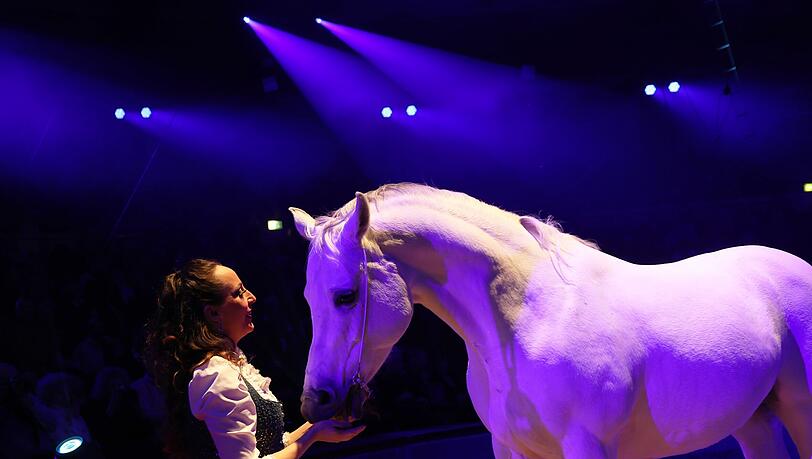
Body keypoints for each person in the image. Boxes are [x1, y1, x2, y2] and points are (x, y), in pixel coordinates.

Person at [144, 259, 364, 458]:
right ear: (213, 314)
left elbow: (272, 447)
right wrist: (312, 436)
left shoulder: (231, 364)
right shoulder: (216, 374)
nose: (252, 297)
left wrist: (320, 423)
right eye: (239, 293)